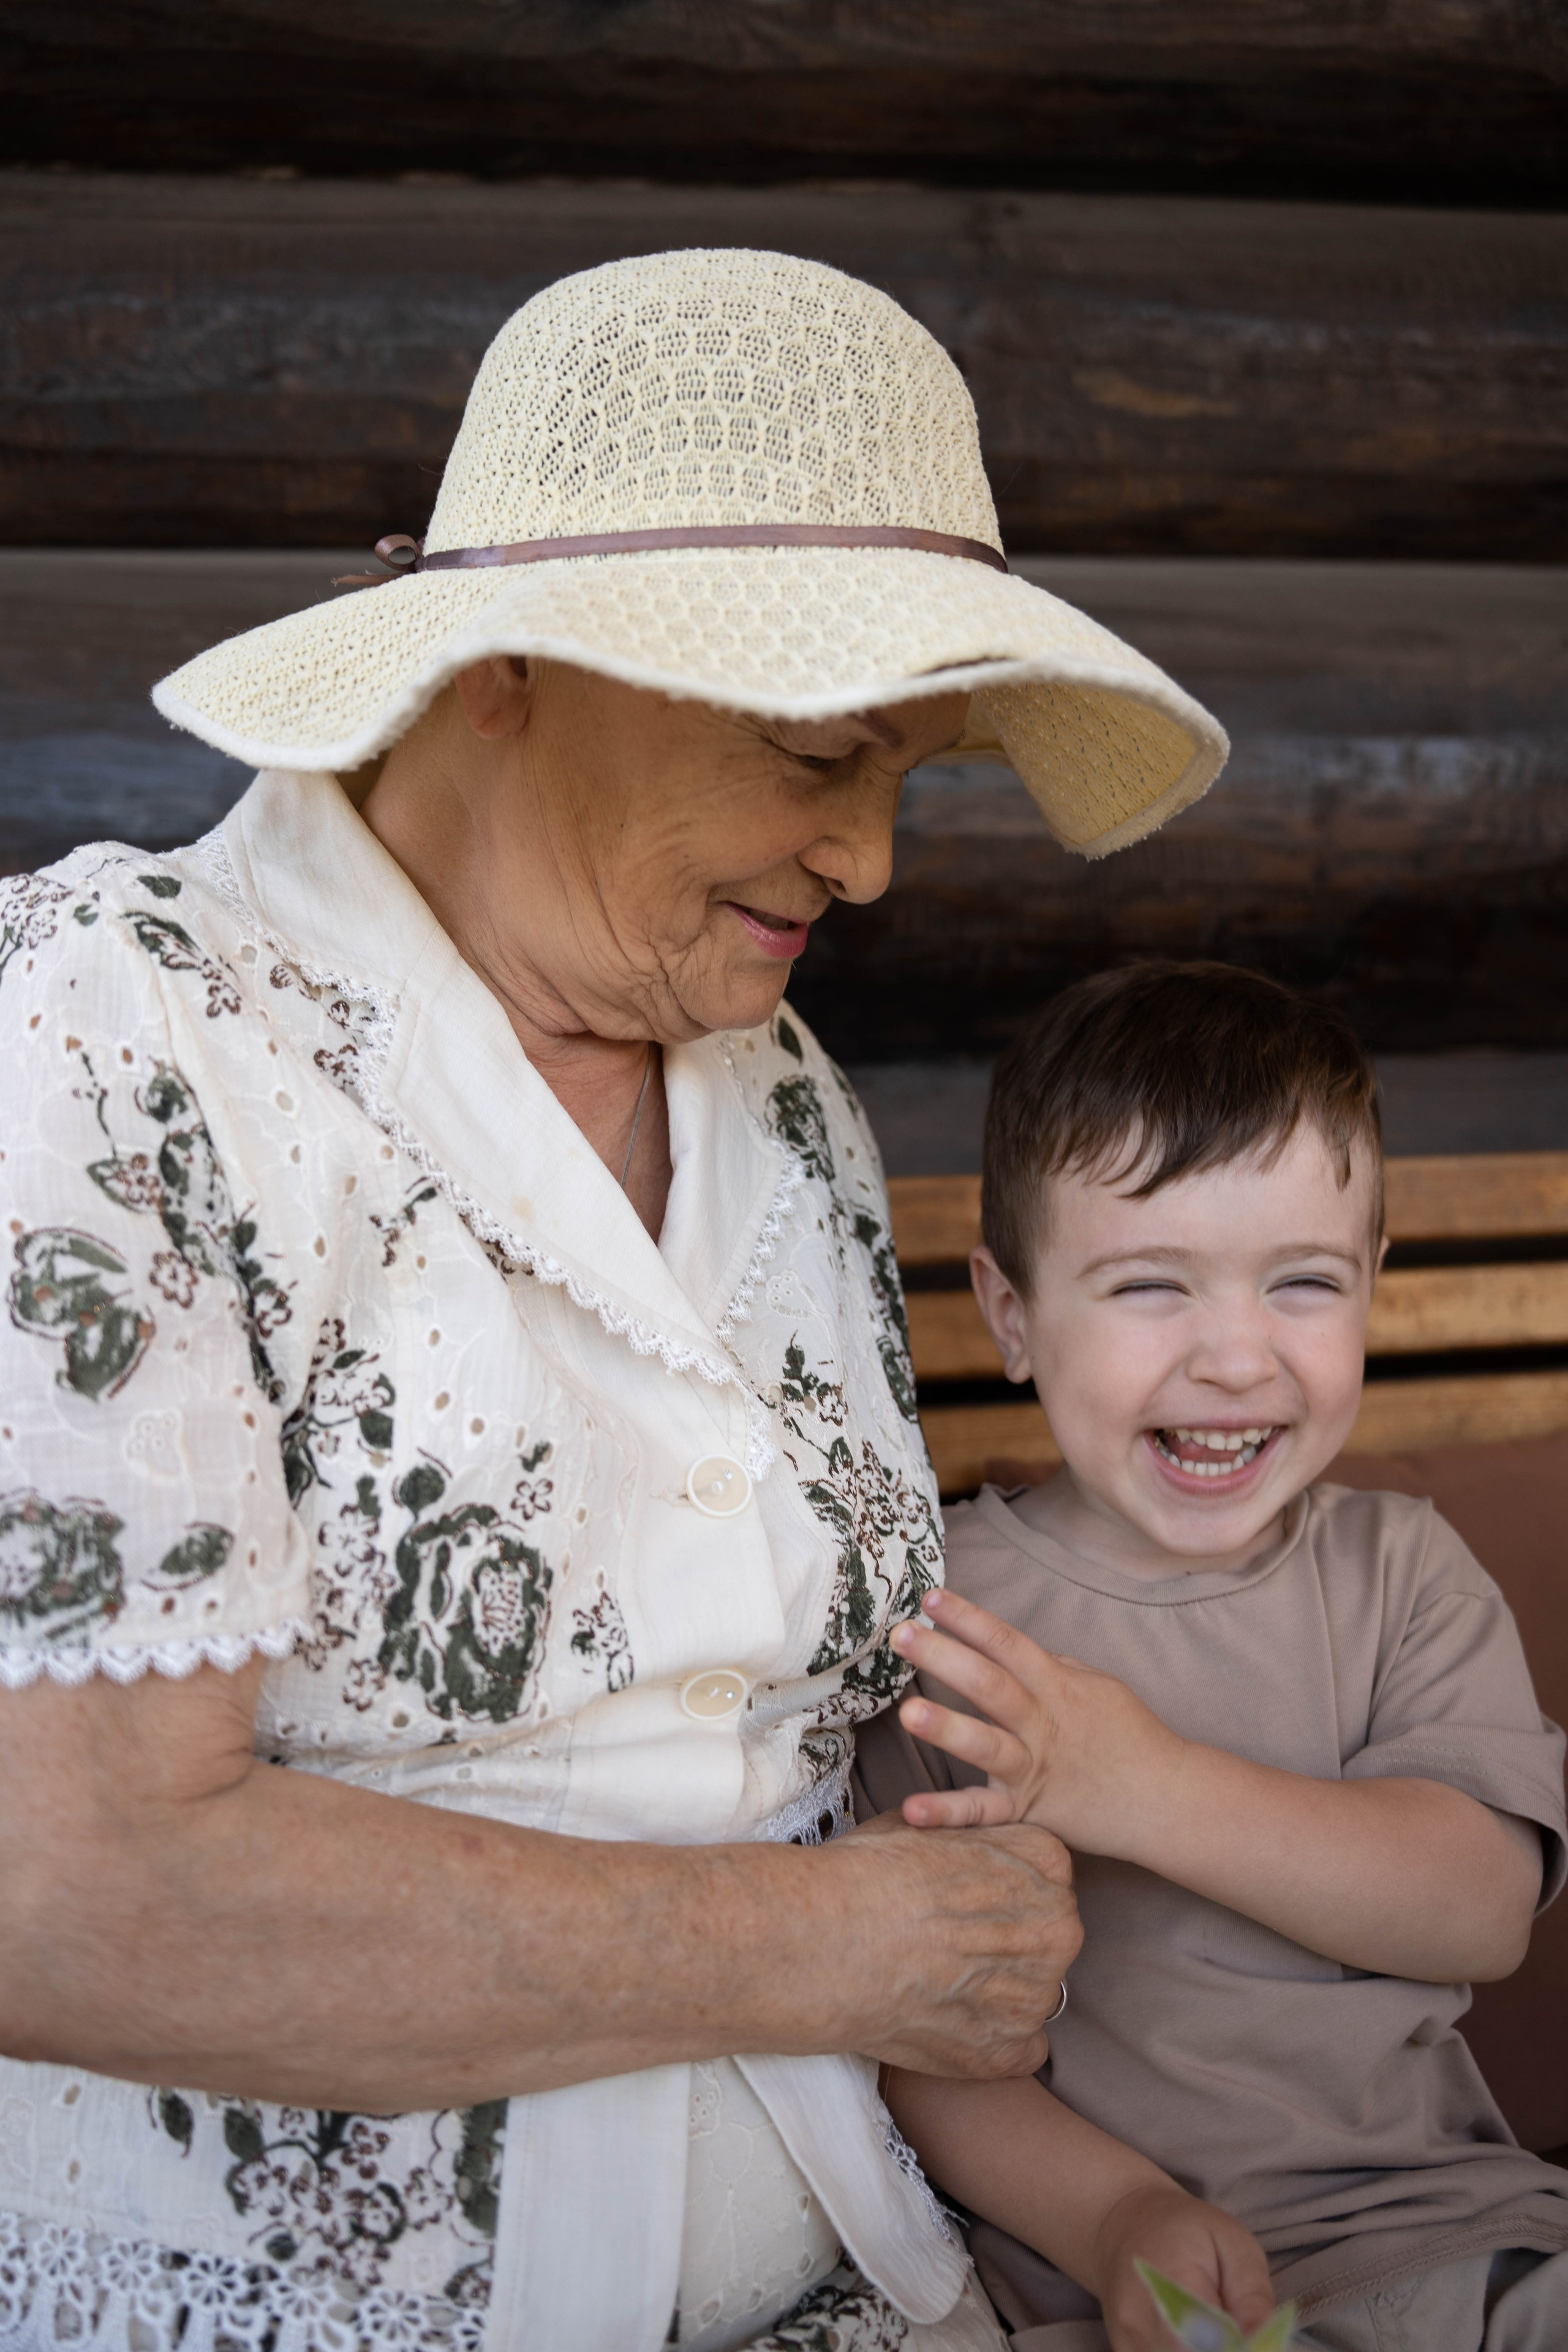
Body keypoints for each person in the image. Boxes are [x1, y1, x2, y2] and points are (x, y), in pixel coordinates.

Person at [0, 251, 1231, 2352]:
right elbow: (72, 1892)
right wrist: (827, 1950)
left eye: (911, 770)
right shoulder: (115, 1031)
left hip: (865, 2273)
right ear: (502, 666)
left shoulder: (783, 1095)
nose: (872, 861)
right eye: (817, 749)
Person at [856, 961, 1568, 2352]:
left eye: (1302, 1282)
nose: (1236, 1359)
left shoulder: (1402, 1574)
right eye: (1149, 1287)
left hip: (1449, 2241)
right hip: (1116, 2288)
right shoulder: (941, 1622)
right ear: (1011, 1313)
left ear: (1373, 1285)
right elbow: (915, 2041)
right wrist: (1117, 2216)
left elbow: (1479, 1908)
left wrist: (1143, 1786)